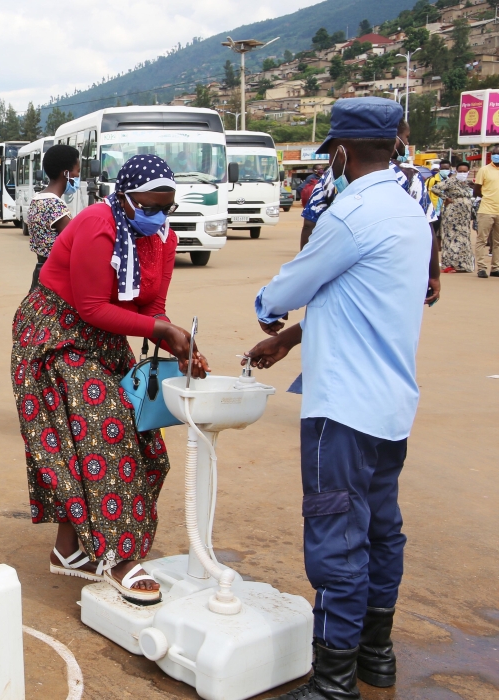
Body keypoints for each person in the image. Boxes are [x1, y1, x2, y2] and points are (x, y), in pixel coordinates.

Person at [245, 97, 428, 700]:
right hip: (390, 407)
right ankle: (377, 656)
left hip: (342, 410)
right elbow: (359, 299)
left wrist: (271, 314)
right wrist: (296, 338)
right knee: (380, 531)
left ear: (343, 152)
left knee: (335, 539)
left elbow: (292, 286)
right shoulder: (407, 209)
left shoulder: (349, 214)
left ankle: (332, 682)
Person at [12, 154, 207, 605]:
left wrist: (181, 344)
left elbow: (153, 307)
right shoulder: (97, 225)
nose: (158, 215)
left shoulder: (163, 237)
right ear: (123, 197)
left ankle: (68, 549)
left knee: (144, 442)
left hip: (103, 338)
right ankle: (117, 557)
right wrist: (162, 331)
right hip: (55, 333)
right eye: (149, 205)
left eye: (167, 207)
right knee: (104, 432)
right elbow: (91, 306)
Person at [300, 119, 440, 306]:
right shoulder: (411, 176)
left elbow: (310, 224)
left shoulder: (331, 175)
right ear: (395, 140)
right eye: (406, 138)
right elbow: (427, 228)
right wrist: (433, 275)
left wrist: (309, 274)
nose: (407, 143)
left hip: (338, 269)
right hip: (394, 274)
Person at [27, 144, 79, 289]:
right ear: (66, 173)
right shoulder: (55, 205)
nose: (78, 176)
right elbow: (76, 243)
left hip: (40, 273)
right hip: (56, 278)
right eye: (77, 171)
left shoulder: (36, 199)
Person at [432, 162, 475, 273]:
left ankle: (462, 264)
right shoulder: (451, 181)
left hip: (464, 217)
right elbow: (435, 188)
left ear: (468, 172)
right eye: (460, 171)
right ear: (456, 171)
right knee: (451, 239)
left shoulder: (466, 184)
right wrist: (446, 198)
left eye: (464, 171)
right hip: (452, 216)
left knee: (463, 239)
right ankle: (449, 264)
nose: (462, 173)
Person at [471, 144, 499, 277]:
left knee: (497, 241)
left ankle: (495, 268)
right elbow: (476, 190)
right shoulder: (484, 170)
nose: (496, 155)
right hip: (486, 209)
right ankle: (481, 268)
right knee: (482, 239)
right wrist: (487, 197)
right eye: (494, 153)